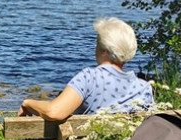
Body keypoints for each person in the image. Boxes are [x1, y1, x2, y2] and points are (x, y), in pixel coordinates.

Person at [17, 17, 154, 121]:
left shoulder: (90, 78)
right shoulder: (143, 88)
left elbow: (54, 112)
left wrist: (27, 103)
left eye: (98, 43)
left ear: (105, 50)